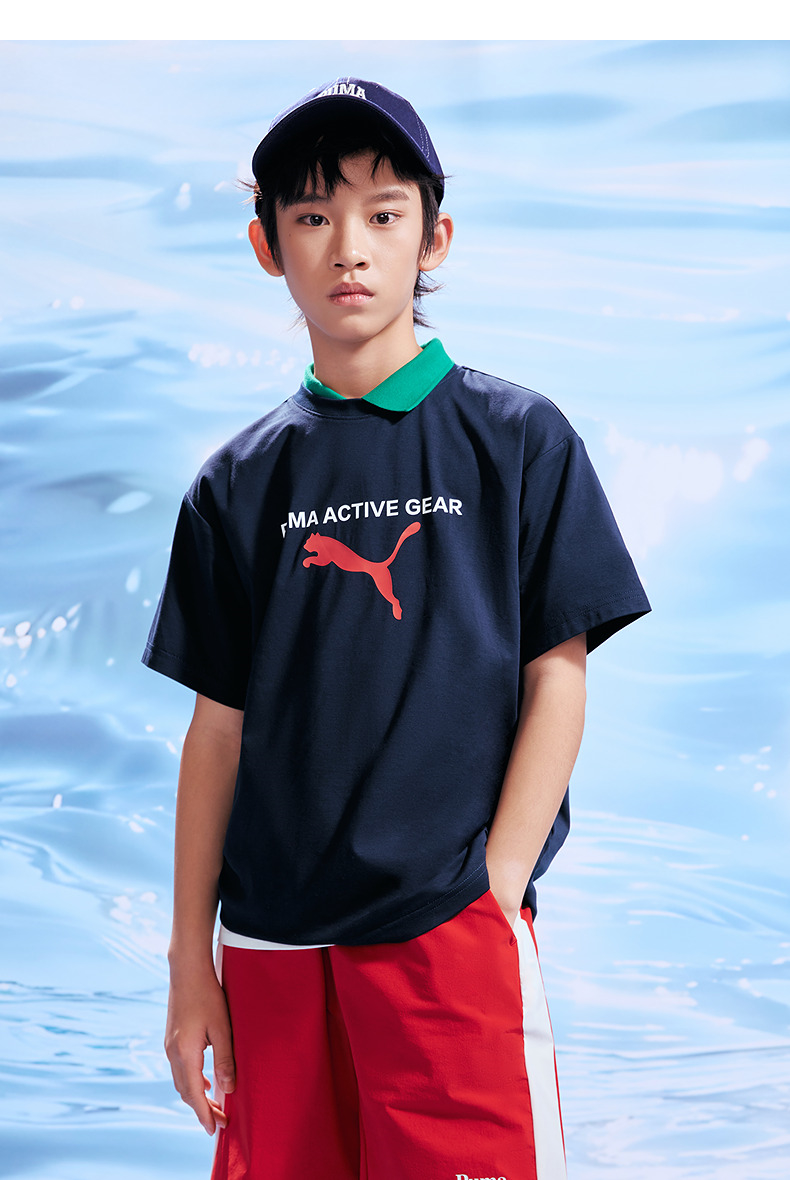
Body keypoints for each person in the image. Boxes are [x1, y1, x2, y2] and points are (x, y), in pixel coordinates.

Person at [143, 78, 651, 1180]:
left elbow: (557, 674)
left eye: (383, 214)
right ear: (267, 247)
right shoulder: (235, 485)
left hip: (444, 931)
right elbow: (217, 732)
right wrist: (191, 965)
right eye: (312, 217)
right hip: (270, 943)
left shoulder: (517, 439)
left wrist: (496, 885)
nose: (349, 249)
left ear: (434, 238)